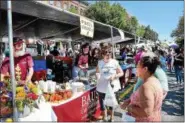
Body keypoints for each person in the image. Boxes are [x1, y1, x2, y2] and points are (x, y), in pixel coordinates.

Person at [120, 52, 163, 122]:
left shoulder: (146, 86)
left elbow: (146, 111)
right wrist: (129, 101)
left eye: (137, 66)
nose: (136, 69)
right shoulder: (155, 80)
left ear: (145, 69)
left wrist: (129, 107)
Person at [96, 45, 123, 122]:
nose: (108, 55)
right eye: (106, 53)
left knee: (111, 103)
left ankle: (112, 118)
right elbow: (97, 72)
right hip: (101, 87)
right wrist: (98, 77)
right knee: (102, 104)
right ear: (102, 54)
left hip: (112, 88)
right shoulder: (99, 63)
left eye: (109, 53)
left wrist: (115, 76)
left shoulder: (115, 62)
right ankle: (104, 117)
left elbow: (121, 73)